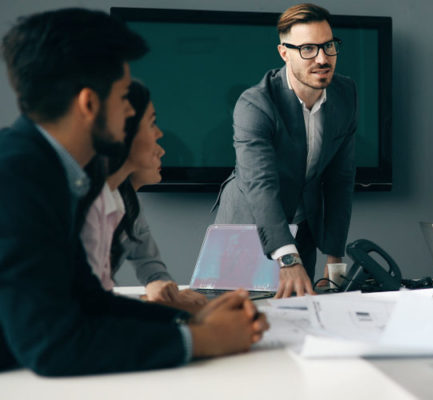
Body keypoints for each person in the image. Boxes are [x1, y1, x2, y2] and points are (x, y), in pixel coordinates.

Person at [0, 8, 267, 375]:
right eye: (125, 95)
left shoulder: (47, 168)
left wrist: (191, 321)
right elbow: (53, 345)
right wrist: (205, 340)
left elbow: (87, 300)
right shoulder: (18, 176)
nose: (130, 111)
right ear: (89, 104)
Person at [213, 3, 357, 298]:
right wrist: (287, 257)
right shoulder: (255, 104)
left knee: (300, 317)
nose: (322, 58)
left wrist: (334, 257)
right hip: (247, 226)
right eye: (307, 49)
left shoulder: (345, 93)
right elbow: (260, 184)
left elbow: (340, 178)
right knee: (238, 321)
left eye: (329, 46)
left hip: (302, 225)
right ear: (284, 53)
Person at [79, 80, 207, 308]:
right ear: (121, 129)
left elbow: (147, 268)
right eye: (152, 124)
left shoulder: (119, 203)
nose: (160, 140)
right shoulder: (87, 204)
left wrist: (169, 297)